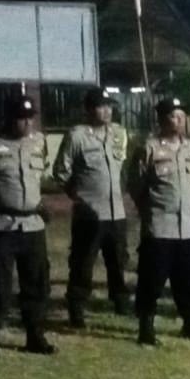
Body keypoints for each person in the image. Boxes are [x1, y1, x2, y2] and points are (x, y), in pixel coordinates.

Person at [0, 93, 55, 360]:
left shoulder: (38, 142)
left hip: (33, 224)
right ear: (8, 118)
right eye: (21, 118)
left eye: (30, 118)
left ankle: (35, 336)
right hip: (1, 225)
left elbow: (40, 176)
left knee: (36, 283)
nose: (27, 123)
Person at [133, 96, 190, 347]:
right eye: (172, 116)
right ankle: (146, 327)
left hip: (188, 227)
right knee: (152, 280)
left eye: (181, 116)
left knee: (187, 280)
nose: (177, 121)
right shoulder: (149, 148)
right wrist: (149, 211)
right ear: (162, 120)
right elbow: (136, 185)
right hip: (160, 226)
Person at [53, 87, 131, 327]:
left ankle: (120, 301)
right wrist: (77, 197)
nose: (107, 111)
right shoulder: (77, 136)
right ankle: (77, 306)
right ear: (88, 109)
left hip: (116, 212)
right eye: (101, 106)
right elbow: (61, 171)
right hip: (90, 214)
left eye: (109, 106)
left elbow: (123, 167)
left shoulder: (119, 133)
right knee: (83, 262)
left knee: (118, 260)